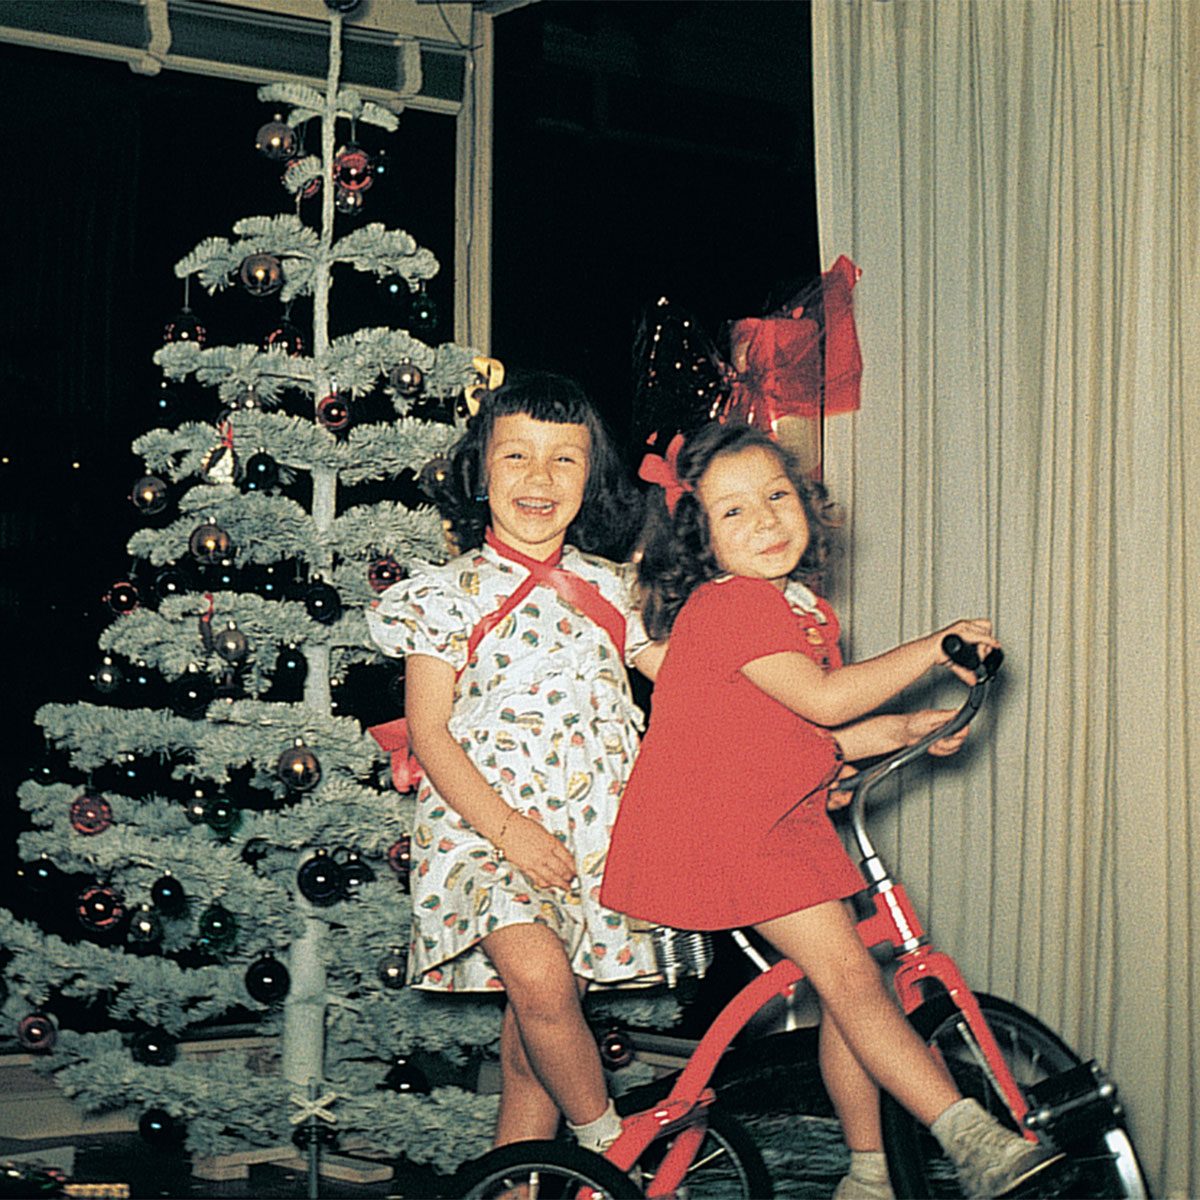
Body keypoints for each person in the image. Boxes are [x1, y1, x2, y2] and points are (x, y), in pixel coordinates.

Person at [601, 421, 1061, 1200]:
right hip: (731, 830)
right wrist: (932, 646)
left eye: (778, 496)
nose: (767, 519)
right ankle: (967, 1134)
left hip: (782, 819)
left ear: (809, 505)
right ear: (702, 541)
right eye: (734, 512)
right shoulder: (730, 607)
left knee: (859, 987)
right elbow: (824, 697)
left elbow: (815, 729)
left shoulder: (801, 611)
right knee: (851, 975)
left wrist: (911, 726)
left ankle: (872, 1168)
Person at [367, 371, 662, 1156]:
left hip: (589, 838)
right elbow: (430, 734)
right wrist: (509, 832)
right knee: (536, 977)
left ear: (592, 477)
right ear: (480, 470)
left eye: (565, 460)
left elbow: (696, 688)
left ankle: (516, 1179)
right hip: (483, 830)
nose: (540, 478)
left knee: (534, 1047)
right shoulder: (446, 594)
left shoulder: (615, 590)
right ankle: (611, 1145)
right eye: (518, 456)